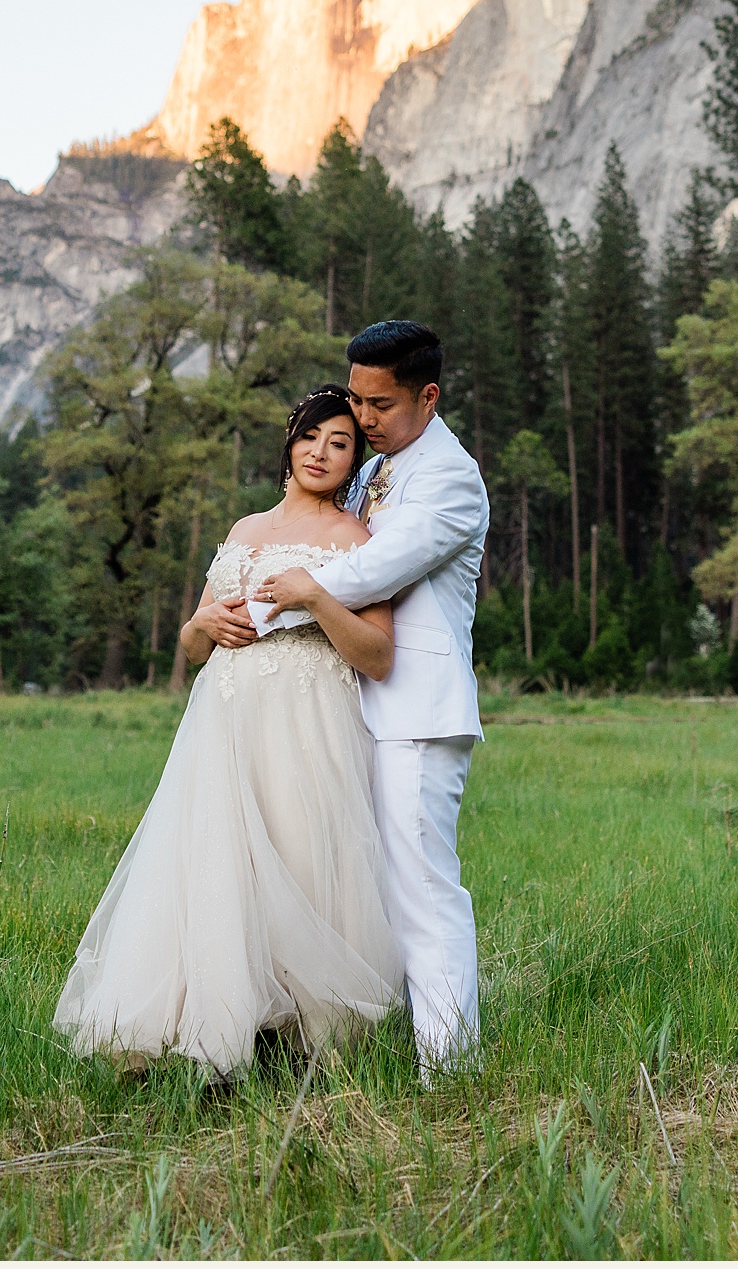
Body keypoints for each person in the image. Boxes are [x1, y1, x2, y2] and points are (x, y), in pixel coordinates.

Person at [53, 385, 406, 1077]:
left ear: (353, 460)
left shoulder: (357, 539)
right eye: (312, 436)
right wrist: (200, 625)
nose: (322, 452)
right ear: (290, 441)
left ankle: (307, 1035)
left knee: (303, 857)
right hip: (225, 718)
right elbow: (192, 644)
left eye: (341, 443)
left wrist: (314, 595)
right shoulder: (246, 530)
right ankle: (207, 1025)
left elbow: (378, 653)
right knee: (217, 861)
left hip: (308, 718)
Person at [254, 319, 490, 1078]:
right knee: (374, 891)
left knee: (422, 890)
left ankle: (448, 1071)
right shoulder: (381, 462)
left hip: (418, 713)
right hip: (360, 708)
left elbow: (374, 567)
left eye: (379, 403)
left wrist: (266, 603)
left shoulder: (449, 476)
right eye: (354, 398)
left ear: (428, 395)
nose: (361, 418)